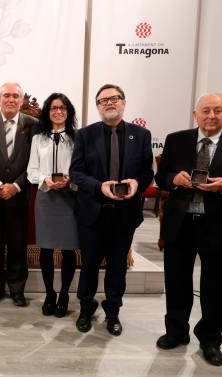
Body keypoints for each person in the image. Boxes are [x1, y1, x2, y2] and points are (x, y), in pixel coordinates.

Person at [155, 93, 222, 366]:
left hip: (219, 225)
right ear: (196, 114)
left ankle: (210, 339)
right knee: (177, 280)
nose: (211, 116)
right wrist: (174, 179)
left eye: (218, 110)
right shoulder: (176, 140)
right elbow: (161, 177)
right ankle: (176, 331)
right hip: (180, 223)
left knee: (217, 285)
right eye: (206, 110)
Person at [70, 83, 154, 336]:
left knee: (117, 266)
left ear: (123, 102)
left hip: (125, 213)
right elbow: (76, 173)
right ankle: (86, 309)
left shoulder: (141, 135)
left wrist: (137, 183)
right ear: (97, 107)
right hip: (92, 212)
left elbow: (147, 172)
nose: (109, 103)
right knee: (90, 265)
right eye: (102, 100)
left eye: (114, 98)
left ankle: (113, 312)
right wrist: (99, 186)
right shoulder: (85, 135)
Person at [0, 82, 38, 307]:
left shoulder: (34, 125)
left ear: (21, 101)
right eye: (6, 95)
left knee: (17, 245)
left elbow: (35, 162)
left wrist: (15, 186)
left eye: (15, 96)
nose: (11, 99)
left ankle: (16, 289)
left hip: (19, 195)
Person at [26, 93, 79, 318]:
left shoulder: (78, 138)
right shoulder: (39, 139)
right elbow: (31, 170)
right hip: (46, 198)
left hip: (70, 199)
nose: (58, 112)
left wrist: (71, 180)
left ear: (69, 112)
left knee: (68, 250)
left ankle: (65, 294)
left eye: (63, 108)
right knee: (46, 249)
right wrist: (45, 179)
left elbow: (82, 168)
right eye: (54, 108)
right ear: (47, 112)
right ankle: (49, 294)